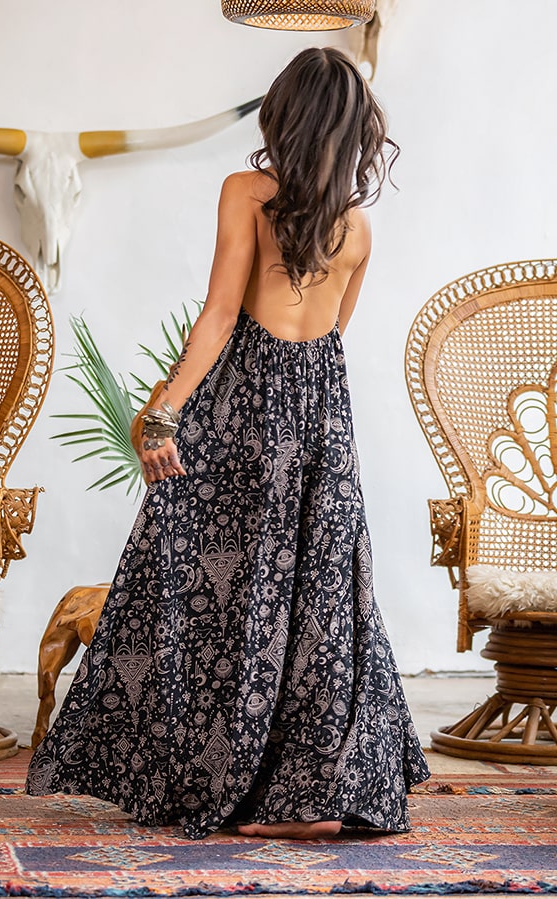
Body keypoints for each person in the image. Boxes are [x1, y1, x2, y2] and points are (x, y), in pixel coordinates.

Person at [26, 46, 429, 840]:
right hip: (322, 424)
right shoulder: (358, 229)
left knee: (204, 584)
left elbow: (218, 318)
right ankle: (319, 789)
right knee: (319, 594)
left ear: (285, 117)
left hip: (244, 408)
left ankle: (211, 773)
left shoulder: (247, 192)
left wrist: (164, 413)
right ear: (354, 130)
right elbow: (332, 339)